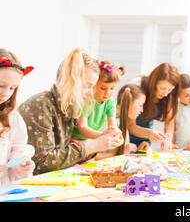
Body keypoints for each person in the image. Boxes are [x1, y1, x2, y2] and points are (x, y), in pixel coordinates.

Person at [18, 48, 123, 175]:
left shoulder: (68, 108)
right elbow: (41, 163)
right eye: (87, 86)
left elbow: (65, 158)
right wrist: (91, 146)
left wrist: (99, 144)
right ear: (70, 80)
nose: (91, 94)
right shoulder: (41, 105)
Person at [0, 49, 35, 184]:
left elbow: (18, 149)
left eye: (12, 88)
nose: (5, 93)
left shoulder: (12, 117)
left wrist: (19, 164)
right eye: (1, 85)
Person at [127, 62, 180, 151]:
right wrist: (149, 133)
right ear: (154, 82)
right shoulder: (137, 85)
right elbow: (130, 125)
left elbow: (169, 122)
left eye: (170, 89)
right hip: (128, 139)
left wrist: (168, 137)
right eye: (162, 88)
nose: (166, 93)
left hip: (145, 141)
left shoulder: (169, 95)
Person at [72, 60, 125, 140]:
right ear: (94, 84)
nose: (108, 93)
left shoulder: (110, 101)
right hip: (74, 139)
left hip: (90, 140)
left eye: (112, 88)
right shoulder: (86, 99)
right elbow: (82, 127)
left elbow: (112, 125)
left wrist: (116, 133)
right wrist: (102, 135)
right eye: (103, 88)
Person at [115, 84, 148, 155]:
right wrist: (123, 151)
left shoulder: (122, 122)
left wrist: (138, 150)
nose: (142, 110)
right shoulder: (109, 121)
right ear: (128, 102)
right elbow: (94, 157)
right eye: (140, 105)